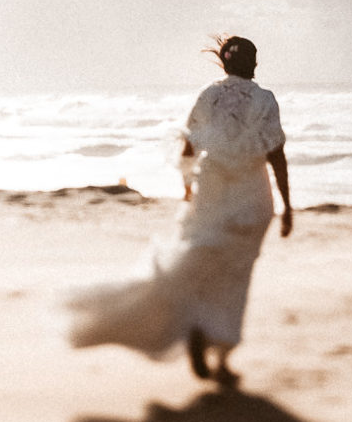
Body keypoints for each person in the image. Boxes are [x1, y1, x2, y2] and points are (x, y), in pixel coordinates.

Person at [66, 35, 294, 384]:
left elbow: (188, 145)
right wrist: (286, 203)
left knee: (201, 263)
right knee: (235, 274)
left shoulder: (208, 94)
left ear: (225, 63)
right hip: (251, 196)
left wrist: (188, 186)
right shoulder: (265, 99)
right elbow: (275, 152)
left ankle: (198, 325)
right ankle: (220, 349)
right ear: (252, 63)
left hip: (211, 192)